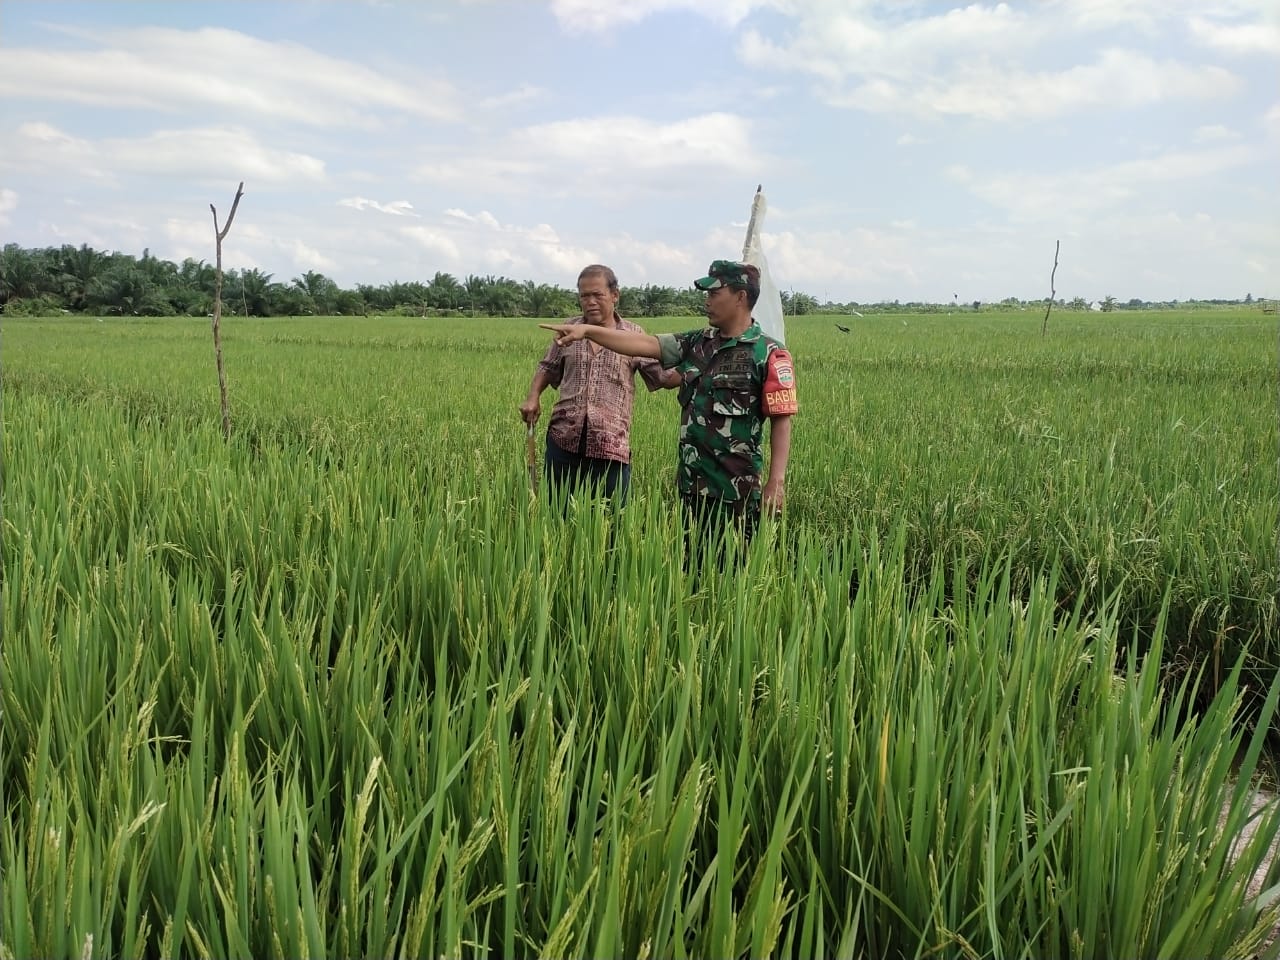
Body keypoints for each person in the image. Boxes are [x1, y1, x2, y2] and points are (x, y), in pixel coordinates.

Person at [540, 259, 796, 560]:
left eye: (714, 293)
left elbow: (782, 419)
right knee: (691, 566)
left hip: (736, 489)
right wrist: (587, 331)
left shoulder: (769, 353)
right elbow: (641, 343)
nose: (707, 300)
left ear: (740, 296)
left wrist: (776, 482)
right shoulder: (696, 344)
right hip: (691, 483)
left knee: (733, 569)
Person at [519, 264, 679, 506]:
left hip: (610, 443)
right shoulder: (568, 329)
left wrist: (698, 367)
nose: (590, 301)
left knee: (612, 520)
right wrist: (533, 397)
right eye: (584, 296)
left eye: (597, 295)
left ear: (615, 295)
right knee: (556, 514)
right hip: (564, 437)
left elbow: (662, 376)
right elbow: (547, 366)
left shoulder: (633, 334)